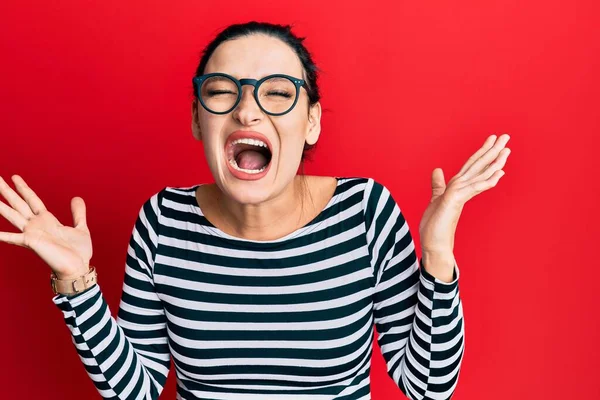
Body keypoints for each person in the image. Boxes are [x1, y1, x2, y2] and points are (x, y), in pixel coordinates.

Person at [0, 21, 511, 400]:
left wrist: (438, 254)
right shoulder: (163, 222)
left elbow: (428, 385)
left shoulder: (365, 214)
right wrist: (76, 284)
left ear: (311, 123)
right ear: (199, 121)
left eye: (277, 93)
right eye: (222, 92)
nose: (247, 110)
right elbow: (137, 389)